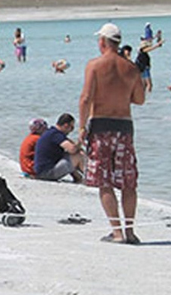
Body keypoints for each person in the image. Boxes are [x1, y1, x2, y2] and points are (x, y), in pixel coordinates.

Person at [79, 23, 145, 244]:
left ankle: (116, 232)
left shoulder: (95, 65)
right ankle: (130, 231)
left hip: (101, 126)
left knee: (104, 180)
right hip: (124, 127)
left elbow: (86, 97)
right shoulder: (131, 68)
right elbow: (140, 99)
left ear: (102, 42)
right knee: (128, 181)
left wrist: (81, 127)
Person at [33, 113, 84, 183]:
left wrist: (79, 147)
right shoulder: (56, 135)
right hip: (47, 173)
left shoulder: (52, 132)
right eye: (72, 128)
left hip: (41, 172)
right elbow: (72, 149)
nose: (71, 130)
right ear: (66, 126)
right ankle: (89, 177)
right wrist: (81, 140)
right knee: (78, 156)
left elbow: (70, 146)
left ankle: (79, 177)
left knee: (68, 154)